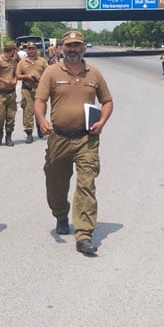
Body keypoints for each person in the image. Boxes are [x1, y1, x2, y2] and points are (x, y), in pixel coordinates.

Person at [34, 30, 113, 254]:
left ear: (83, 48)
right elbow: (39, 100)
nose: (73, 49)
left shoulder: (94, 74)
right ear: (62, 48)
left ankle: (84, 234)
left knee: (86, 185)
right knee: (56, 184)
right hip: (58, 137)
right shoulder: (51, 72)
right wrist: (41, 120)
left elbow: (107, 101)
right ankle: (60, 214)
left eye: (77, 45)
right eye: (69, 45)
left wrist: (103, 121)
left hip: (87, 140)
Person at [15, 41, 49, 143]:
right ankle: (29, 133)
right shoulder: (22, 63)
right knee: (28, 111)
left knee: (41, 110)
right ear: (26, 50)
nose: (31, 51)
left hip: (40, 90)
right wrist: (27, 76)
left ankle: (40, 127)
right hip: (27, 89)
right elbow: (17, 76)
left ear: (36, 50)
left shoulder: (42, 61)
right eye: (29, 49)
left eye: (33, 48)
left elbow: (48, 74)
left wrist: (41, 78)